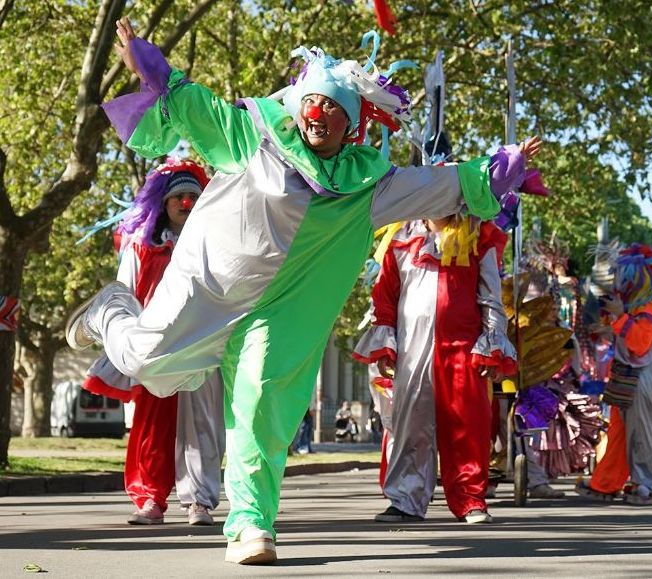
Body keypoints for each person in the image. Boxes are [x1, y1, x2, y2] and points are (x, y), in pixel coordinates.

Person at [65, 18, 542, 565]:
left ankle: (249, 523)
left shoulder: (370, 186)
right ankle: (111, 311)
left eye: (335, 108)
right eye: (313, 102)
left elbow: (443, 185)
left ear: (353, 124)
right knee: (148, 362)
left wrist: (499, 169)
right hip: (208, 288)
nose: (319, 115)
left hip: (282, 314)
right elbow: (196, 105)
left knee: (263, 404)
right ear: (297, 106)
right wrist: (155, 68)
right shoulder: (252, 137)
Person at [81, 159, 225, 526]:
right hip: (155, 346)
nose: (186, 203)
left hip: (201, 344)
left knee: (201, 423)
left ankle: (199, 502)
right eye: (179, 196)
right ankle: (149, 499)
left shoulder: (215, 245)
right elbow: (123, 295)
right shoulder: (142, 247)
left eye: (194, 196)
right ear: (164, 203)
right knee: (150, 423)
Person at [353, 214, 516, 524]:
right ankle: (406, 500)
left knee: (467, 424)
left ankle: (470, 500)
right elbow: (385, 296)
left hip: (463, 349)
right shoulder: (401, 237)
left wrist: (491, 344)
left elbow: (491, 296)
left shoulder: (477, 236)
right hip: (412, 349)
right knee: (411, 423)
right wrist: (386, 341)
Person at [575, 244, 652, 505]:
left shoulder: (650, 309)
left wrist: (620, 317)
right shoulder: (634, 308)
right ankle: (606, 483)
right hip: (625, 377)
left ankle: (649, 485)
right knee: (619, 432)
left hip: (642, 378)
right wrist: (611, 325)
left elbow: (640, 344)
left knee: (643, 431)